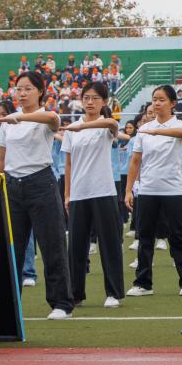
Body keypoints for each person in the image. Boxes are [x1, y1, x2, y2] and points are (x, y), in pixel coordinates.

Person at [0, 71, 74, 319]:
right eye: (18, 89)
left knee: (52, 244)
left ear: (40, 91)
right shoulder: (8, 123)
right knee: (12, 249)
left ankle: (61, 303)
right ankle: (9, 307)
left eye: (28, 88)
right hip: (12, 186)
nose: (22, 93)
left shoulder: (46, 117)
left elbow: (52, 119)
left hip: (41, 183)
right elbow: (1, 159)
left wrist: (19, 118)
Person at [123, 85, 182, 298]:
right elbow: (135, 161)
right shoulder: (144, 130)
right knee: (145, 237)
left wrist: (157, 130)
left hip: (173, 190)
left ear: (173, 103)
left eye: (161, 100)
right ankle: (143, 283)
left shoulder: (180, 124)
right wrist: (129, 190)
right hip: (148, 190)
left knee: (179, 236)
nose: (156, 103)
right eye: (154, 99)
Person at [61, 82, 125, 309]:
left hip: (104, 191)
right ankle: (75, 293)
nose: (90, 102)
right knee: (76, 247)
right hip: (79, 193)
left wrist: (84, 126)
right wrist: (67, 195)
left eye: (95, 98)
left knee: (109, 244)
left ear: (104, 102)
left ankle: (114, 293)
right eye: (86, 97)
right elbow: (68, 165)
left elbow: (113, 124)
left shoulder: (106, 126)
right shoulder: (73, 129)